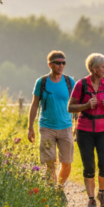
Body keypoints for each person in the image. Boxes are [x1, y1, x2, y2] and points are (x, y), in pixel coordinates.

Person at [68, 53, 104, 207]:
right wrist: (86, 105)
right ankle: (91, 200)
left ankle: (101, 193)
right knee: (88, 166)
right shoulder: (81, 84)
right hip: (84, 130)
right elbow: (70, 107)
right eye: (103, 67)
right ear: (94, 68)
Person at [27, 50, 76, 187]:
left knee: (67, 163)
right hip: (47, 128)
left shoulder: (69, 82)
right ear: (50, 64)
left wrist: (77, 125)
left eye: (63, 63)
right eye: (58, 63)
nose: (61, 66)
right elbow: (34, 104)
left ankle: (59, 188)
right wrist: (30, 127)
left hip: (66, 128)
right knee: (50, 163)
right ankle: (51, 190)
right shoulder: (42, 82)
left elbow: (76, 104)